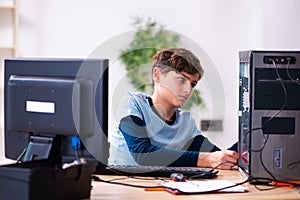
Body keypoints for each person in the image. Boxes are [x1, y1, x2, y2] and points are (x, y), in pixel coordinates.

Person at [109, 47, 239, 169]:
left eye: (192, 84)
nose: (188, 90)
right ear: (157, 75)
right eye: (181, 80)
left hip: (160, 187)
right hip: (124, 188)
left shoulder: (185, 121)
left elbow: (219, 157)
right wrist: (207, 159)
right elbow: (142, 154)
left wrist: (250, 140)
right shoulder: (132, 104)